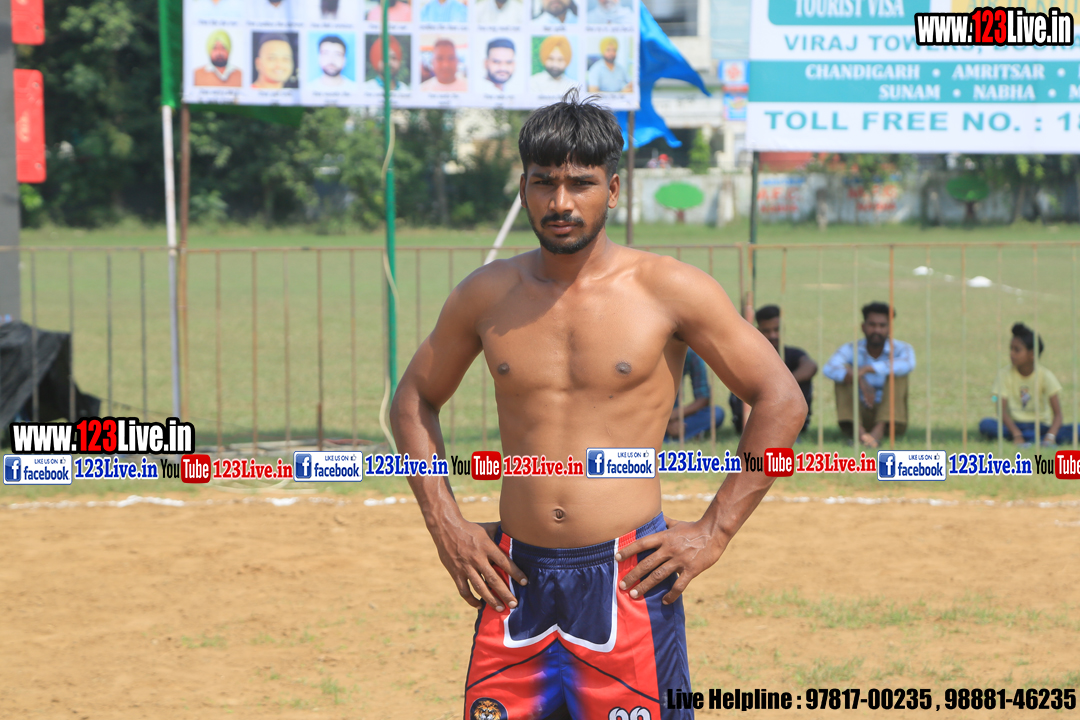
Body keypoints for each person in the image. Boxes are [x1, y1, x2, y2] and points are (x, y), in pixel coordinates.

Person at [390, 91, 805, 720]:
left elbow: (780, 398)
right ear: (523, 189)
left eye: (580, 183)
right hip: (514, 581)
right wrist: (445, 523)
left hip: (628, 576)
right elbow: (414, 398)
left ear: (612, 190)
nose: (560, 202)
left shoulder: (669, 288)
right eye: (543, 183)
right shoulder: (487, 294)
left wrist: (713, 531)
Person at [822, 301, 914, 448]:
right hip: (858, 415)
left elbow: (908, 364)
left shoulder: (901, 348)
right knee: (845, 373)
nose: (877, 330)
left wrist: (866, 369)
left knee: (898, 375)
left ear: (890, 328)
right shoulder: (851, 348)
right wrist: (858, 377)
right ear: (863, 327)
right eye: (872, 325)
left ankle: (877, 433)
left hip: (892, 420)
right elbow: (828, 368)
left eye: (882, 325)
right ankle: (862, 434)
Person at [979, 322, 1075, 446]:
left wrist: (1050, 436)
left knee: (1076, 429)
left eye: (1017, 350)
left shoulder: (1045, 375)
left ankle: (1036, 439)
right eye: (1011, 349)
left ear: (1032, 354)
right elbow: (1001, 411)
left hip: (1041, 426)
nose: (1011, 353)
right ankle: (1032, 439)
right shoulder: (1004, 375)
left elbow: (1058, 415)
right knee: (986, 424)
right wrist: (1016, 434)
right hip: (1014, 425)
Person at [729, 304, 815, 435]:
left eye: (776, 329)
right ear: (758, 330)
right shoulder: (749, 355)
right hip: (753, 420)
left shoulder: (793, 354)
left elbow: (811, 366)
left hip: (788, 416)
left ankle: (793, 424)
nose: (773, 335)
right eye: (767, 331)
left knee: (802, 379)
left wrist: (781, 385)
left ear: (783, 329)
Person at [665, 347, 724, 441]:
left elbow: (703, 397)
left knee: (716, 413)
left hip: (675, 414)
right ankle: (684, 433)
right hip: (651, 414)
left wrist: (674, 415)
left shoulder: (690, 352)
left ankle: (671, 432)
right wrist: (665, 420)